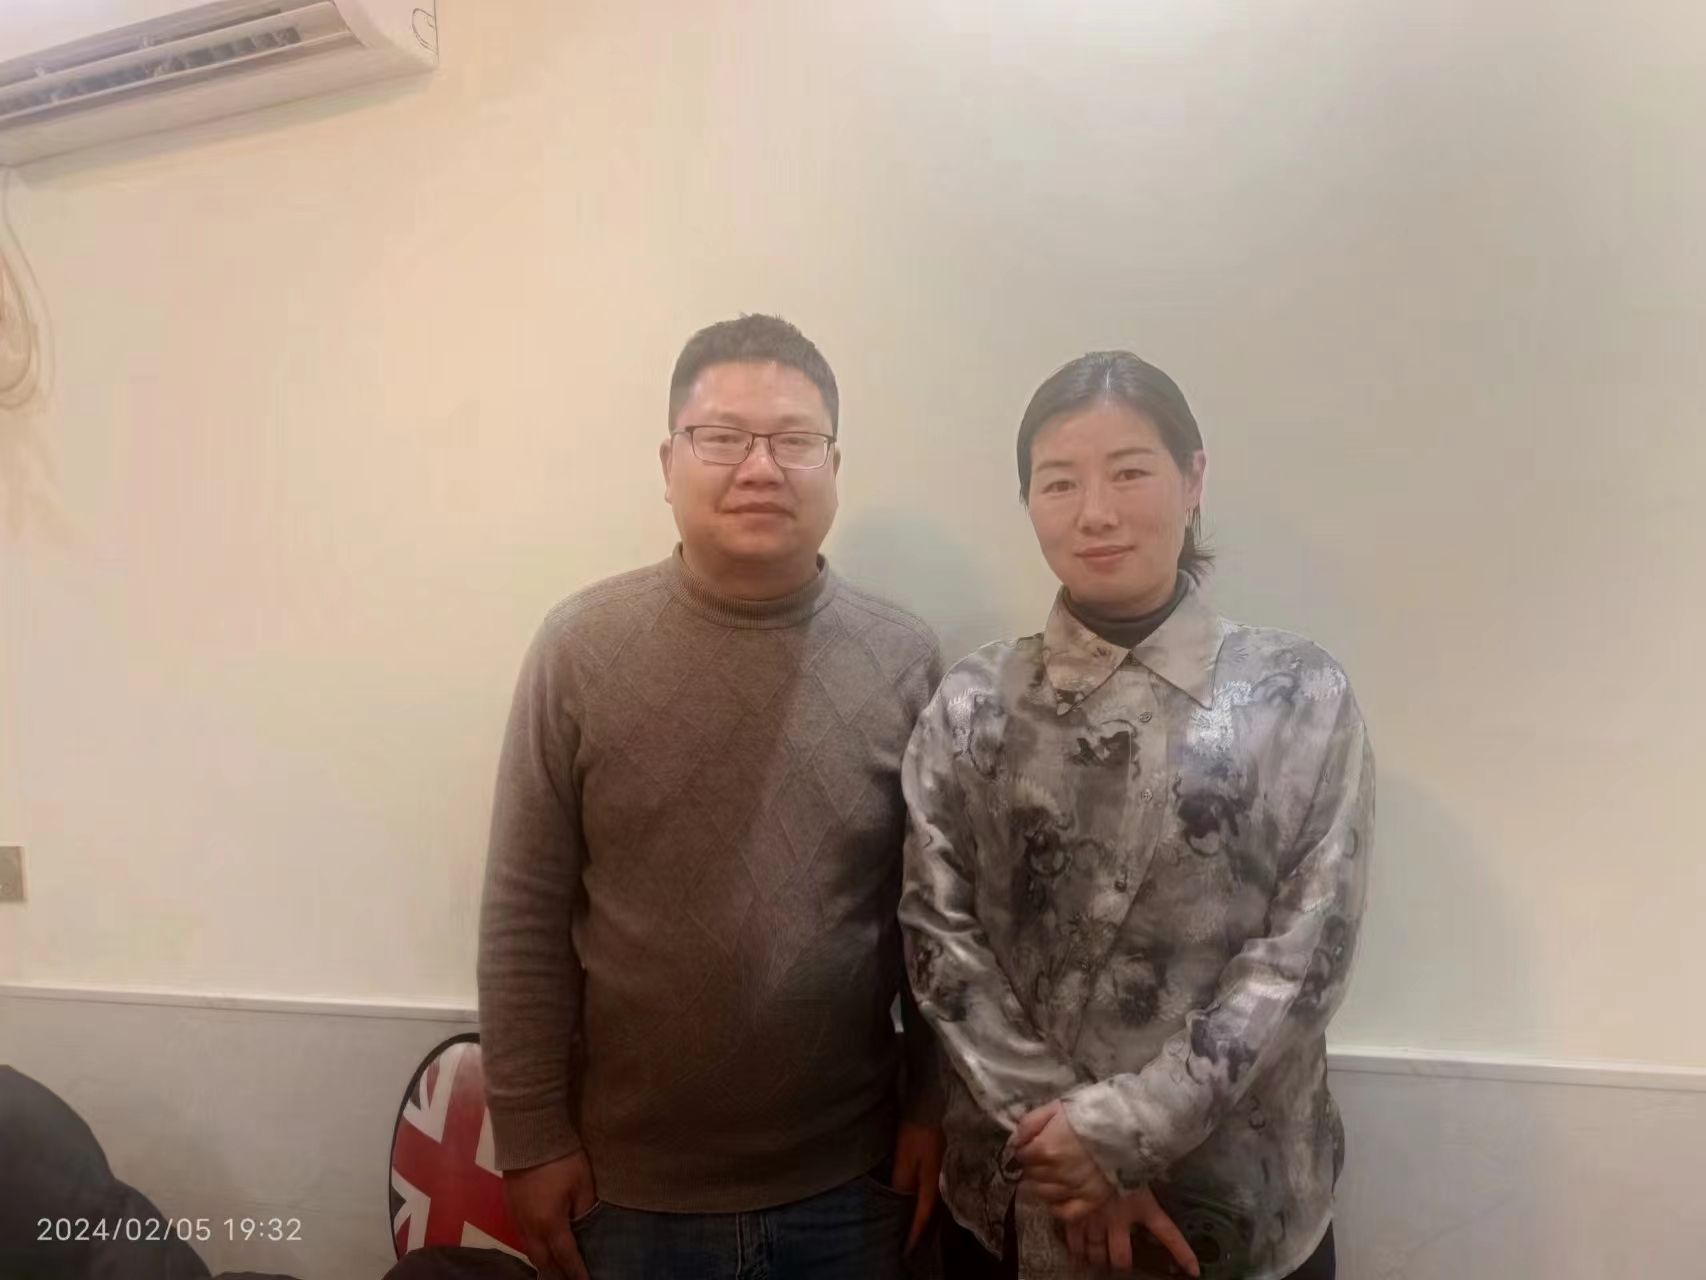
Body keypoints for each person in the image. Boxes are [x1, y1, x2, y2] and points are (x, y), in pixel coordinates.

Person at [476, 314, 945, 1280]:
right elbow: (524, 913)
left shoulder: (905, 659)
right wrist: (529, 1138)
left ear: (835, 465)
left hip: (851, 1184)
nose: (760, 468)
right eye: (722, 437)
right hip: (627, 1191)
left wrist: (933, 1106)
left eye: (795, 439)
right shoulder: (579, 648)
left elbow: (935, 920)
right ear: (668, 462)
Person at [900, 351, 1373, 1279]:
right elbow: (937, 939)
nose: (1096, 512)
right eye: (1059, 482)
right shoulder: (972, 703)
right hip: (1023, 1198)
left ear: (1193, 480)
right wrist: (1068, 1146)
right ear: (1028, 501)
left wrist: (1122, 1131)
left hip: (1239, 1209)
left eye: (1129, 472)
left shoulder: (1299, 695)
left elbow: (1305, 958)